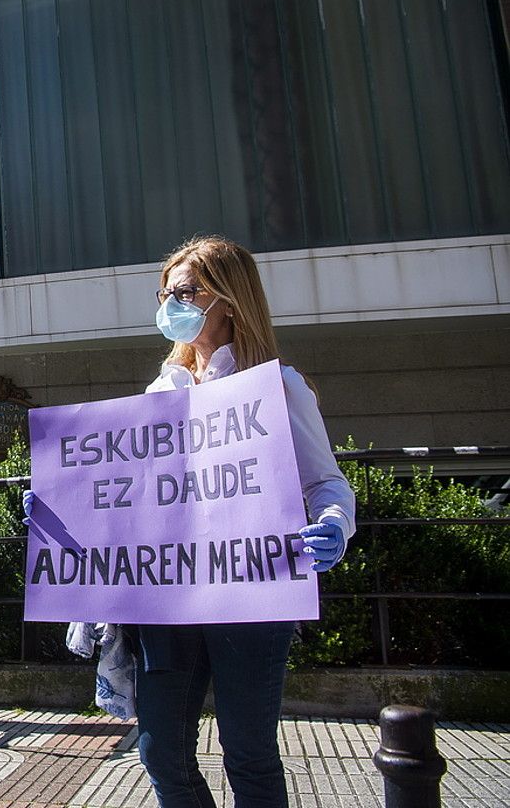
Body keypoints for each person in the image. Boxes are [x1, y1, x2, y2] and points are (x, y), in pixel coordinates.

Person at [86, 236, 353, 808]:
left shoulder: (279, 386)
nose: (169, 304)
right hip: (172, 593)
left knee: (248, 754)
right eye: (165, 293)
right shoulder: (162, 391)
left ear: (229, 300)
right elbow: (131, 494)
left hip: (253, 594)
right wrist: (66, 513)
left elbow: (325, 482)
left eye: (184, 292)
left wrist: (334, 522)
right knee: (159, 750)